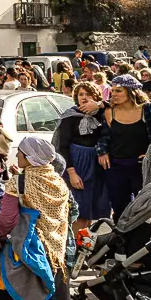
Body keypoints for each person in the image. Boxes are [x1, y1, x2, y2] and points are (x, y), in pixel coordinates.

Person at [0, 137, 71, 300]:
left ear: (31, 158)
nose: (17, 155)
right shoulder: (59, 182)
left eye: (21, 153)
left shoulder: (19, 182)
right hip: (56, 251)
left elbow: (7, 219)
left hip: (28, 251)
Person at [97, 74, 151, 220]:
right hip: (116, 166)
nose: (114, 94)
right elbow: (104, 136)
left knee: (142, 207)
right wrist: (102, 152)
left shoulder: (148, 110)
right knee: (119, 207)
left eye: (118, 91)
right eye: (112, 91)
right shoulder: (109, 112)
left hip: (141, 167)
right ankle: (121, 239)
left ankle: (139, 239)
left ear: (131, 91)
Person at [53, 81, 109, 233]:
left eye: (88, 94)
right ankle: (74, 247)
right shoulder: (70, 116)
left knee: (90, 209)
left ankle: (84, 244)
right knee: (79, 209)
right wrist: (71, 173)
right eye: (80, 94)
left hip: (96, 165)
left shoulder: (103, 114)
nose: (83, 98)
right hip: (78, 164)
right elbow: (62, 146)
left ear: (96, 97)